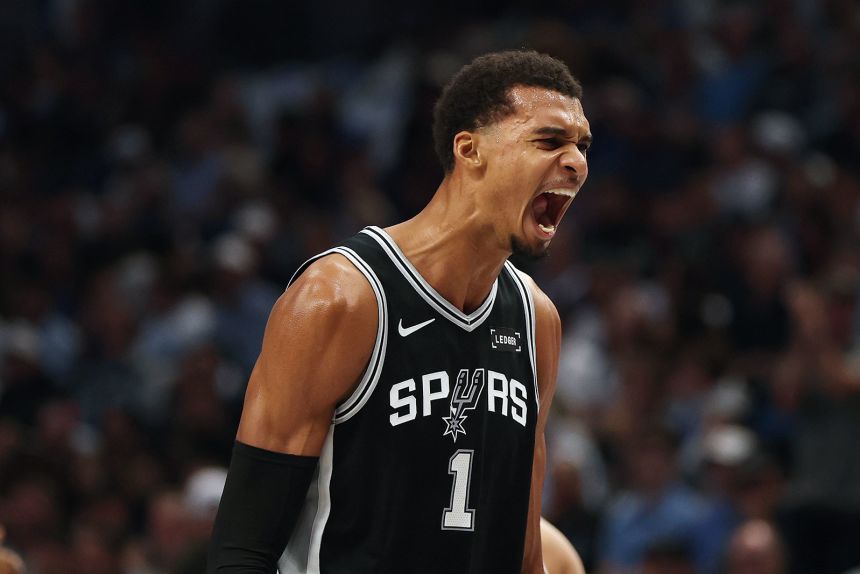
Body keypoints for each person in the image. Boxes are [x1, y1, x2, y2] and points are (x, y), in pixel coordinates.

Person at [207, 50, 591, 573]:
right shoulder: (342, 298)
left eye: (582, 146)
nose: (576, 163)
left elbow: (522, 554)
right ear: (470, 149)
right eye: (549, 141)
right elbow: (242, 550)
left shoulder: (536, 321)